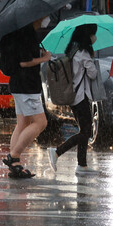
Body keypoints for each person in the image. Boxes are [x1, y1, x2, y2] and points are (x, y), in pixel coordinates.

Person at [47, 24, 100, 176]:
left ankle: (82, 165)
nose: (94, 37)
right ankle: (57, 151)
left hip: (74, 96)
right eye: (92, 34)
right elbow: (93, 74)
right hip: (80, 97)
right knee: (86, 132)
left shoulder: (73, 49)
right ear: (87, 35)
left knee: (84, 130)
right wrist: (91, 60)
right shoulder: (83, 52)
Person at [3, 17, 52, 178]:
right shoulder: (27, 35)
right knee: (41, 122)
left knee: (23, 123)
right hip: (26, 86)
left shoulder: (23, 33)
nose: (47, 19)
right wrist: (44, 59)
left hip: (20, 84)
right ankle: (14, 155)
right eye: (45, 16)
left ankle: (15, 164)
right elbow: (24, 62)